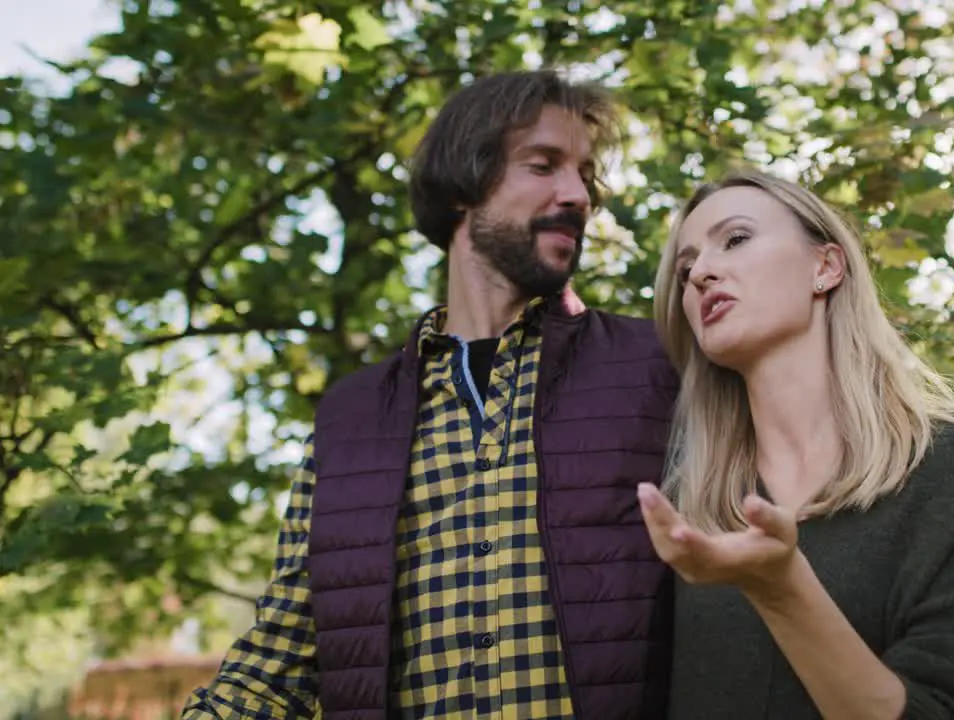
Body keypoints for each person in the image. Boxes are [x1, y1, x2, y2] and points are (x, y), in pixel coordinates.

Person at [182, 70, 679, 719]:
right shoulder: (350, 423)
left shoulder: (656, 369)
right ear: (460, 189)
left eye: (585, 174)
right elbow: (277, 666)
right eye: (543, 165)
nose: (577, 194)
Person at [640, 168, 954, 719]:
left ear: (826, 266)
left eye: (735, 240)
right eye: (686, 268)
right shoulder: (688, 508)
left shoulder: (950, 461)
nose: (700, 275)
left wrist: (782, 589)